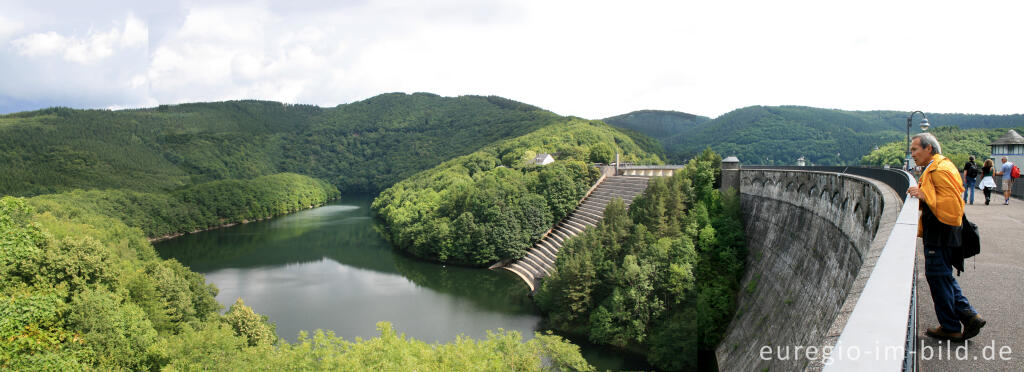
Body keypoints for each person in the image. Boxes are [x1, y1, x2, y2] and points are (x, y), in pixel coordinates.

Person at [906, 133, 986, 341]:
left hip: (940, 233)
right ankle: (969, 316)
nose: (912, 154)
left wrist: (924, 195)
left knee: (937, 277)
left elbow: (951, 206)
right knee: (943, 276)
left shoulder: (938, 169)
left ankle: (950, 326)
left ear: (928, 149)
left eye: (915, 149)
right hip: (944, 233)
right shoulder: (941, 165)